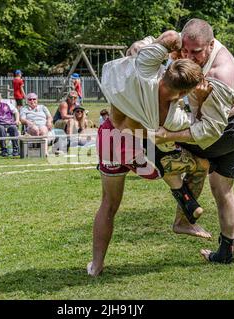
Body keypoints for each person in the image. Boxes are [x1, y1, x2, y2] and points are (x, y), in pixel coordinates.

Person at [88, 31, 216, 276]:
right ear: (184, 92)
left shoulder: (146, 68)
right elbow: (197, 127)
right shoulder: (172, 116)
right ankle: (183, 212)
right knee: (198, 164)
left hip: (110, 136)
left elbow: (168, 36)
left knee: (108, 204)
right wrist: (199, 97)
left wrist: (157, 45)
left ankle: (96, 266)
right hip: (139, 147)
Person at [157, 19, 234, 264]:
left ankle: (189, 192)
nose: (189, 56)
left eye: (196, 52)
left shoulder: (220, 74)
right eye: (185, 50)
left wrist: (170, 136)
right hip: (232, 125)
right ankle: (226, 253)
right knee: (222, 191)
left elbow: (209, 129)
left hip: (226, 131)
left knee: (152, 145)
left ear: (211, 45)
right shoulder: (188, 47)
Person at [0, 91, 20, 157]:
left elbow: (16, 111)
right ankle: (3, 150)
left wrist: (17, 120)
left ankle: (15, 150)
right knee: (0, 128)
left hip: (9, 124)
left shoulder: (7, 104)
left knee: (13, 128)